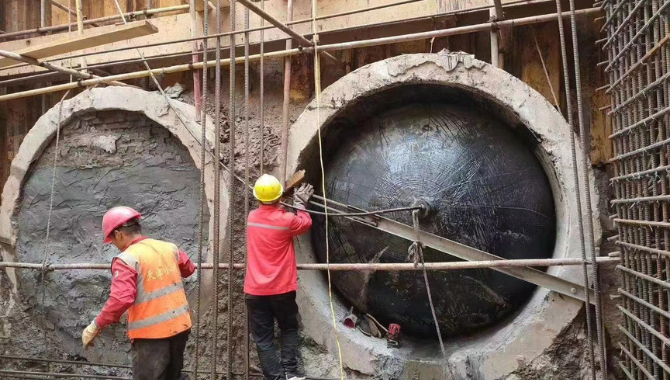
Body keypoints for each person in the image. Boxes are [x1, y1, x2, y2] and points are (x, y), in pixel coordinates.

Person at [81, 206, 196, 380]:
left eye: (112, 240)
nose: (114, 244)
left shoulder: (127, 259)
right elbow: (189, 269)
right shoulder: (168, 248)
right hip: (180, 327)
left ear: (119, 234)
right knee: (173, 375)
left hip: (151, 335)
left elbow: (121, 298)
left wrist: (96, 325)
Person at [245, 174, 314, 380]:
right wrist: (300, 203)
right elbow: (305, 223)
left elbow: (271, 213)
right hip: (281, 290)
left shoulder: (251, 218)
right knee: (288, 329)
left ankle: (275, 378)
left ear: (257, 198)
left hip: (254, 291)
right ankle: (290, 373)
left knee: (264, 340)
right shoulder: (286, 221)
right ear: (279, 197)